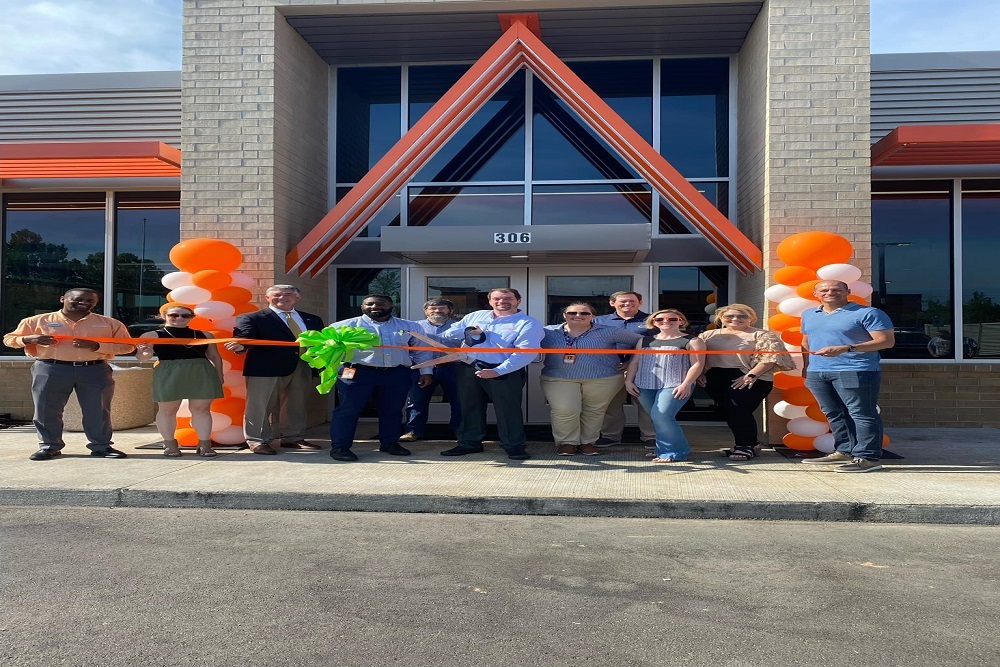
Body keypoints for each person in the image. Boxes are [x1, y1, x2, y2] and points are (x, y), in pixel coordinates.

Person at [3, 288, 134, 460]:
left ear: (96, 303)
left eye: (90, 301)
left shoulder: (109, 323)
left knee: (98, 409)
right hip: (51, 368)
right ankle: (49, 446)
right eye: (78, 299)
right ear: (62, 299)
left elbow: (128, 346)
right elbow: (9, 340)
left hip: (94, 370)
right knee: (46, 409)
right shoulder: (37, 321)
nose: (84, 303)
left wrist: (96, 346)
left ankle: (101, 446)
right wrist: (29, 339)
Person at [801, 280, 895, 473]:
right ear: (815, 294)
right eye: (824, 290)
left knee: (862, 413)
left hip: (855, 370)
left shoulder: (868, 313)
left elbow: (886, 341)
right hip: (818, 372)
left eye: (836, 289)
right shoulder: (809, 314)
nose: (830, 292)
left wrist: (847, 348)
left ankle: (868, 457)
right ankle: (845, 451)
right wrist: (806, 367)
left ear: (848, 291)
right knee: (834, 413)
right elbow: (806, 342)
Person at [438, 288, 544, 461]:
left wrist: (497, 371)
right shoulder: (476, 316)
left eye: (507, 298)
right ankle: (469, 443)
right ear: (490, 301)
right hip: (469, 367)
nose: (502, 301)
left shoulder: (528, 323)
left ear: (518, 301)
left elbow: (525, 352)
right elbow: (449, 333)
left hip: (505, 370)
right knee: (469, 407)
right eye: (497, 298)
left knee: (508, 409)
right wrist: (468, 331)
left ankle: (514, 446)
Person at [327, 294, 433, 461]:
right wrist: (339, 368)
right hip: (357, 373)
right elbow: (326, 349)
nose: (375, 306)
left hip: (396, 373)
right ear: (362, 307)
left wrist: (426, 371)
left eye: (381, 303)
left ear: (391, 306)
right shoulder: (344, 326)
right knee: (348, 410)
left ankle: (390, 443)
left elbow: (422, 351)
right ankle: (340, 447)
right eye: (369, 304)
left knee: (393, 410)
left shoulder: (410, 326)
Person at [225, 285, 325, 455]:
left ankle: (293, 437)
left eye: (288, 294)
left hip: (302, 366)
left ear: (297, 298)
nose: (282, 298)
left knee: (296, 404)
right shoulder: (253, 317)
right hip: (266, 367)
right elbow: (244, 336)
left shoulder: (312, 319)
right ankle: (257, 440)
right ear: (267, 298)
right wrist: (240, 346)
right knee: (260, 405)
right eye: (277, 295)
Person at [540, 302, 641, 456]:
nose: (578, 316)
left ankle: (588, 443)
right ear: (564, 315)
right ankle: (567, 443)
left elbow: (642, 342)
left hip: (603, 378)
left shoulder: (609, 331)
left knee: (594, 411)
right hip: (559, 378)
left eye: (584, 313)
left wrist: (630, 362)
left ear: (593, 316)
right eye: (572, 313)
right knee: (564, 409)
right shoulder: (548, 332)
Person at [698, 304, 794, 460]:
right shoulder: (708, 335)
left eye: (742, 316)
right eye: (729, 316)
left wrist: (751, 375)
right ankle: (751, 444)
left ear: (751, 318)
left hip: (751, 377)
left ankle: (744, 446)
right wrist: (700, 374)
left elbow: (770, 358)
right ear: (721, 318)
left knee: (738, 410)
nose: (735, 319)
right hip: (715, 377)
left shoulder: (762, 335)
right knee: (729, 412)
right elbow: (698, 357)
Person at [135, 304, 225, 457]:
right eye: (174, 315)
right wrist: (146, 352)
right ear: (164, 316)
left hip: (201, 371)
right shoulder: (152, 335)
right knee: (168, 410)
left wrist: (219, 374)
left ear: (191, 318)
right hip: (168, 372)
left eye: (185, 315)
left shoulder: (205, 335)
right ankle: (170, 444)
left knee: (201, 410)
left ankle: (204, 444)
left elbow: (214, 356)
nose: (179, 318)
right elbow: (142, 358)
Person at [624, 309, 705, 463]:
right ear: (653, 323)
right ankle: (661, 450)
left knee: (662, 416)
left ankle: (675, 452)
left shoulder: (692, 341)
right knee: (657, 418)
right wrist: (628, 381)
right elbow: (635, 362)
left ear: (681, 321)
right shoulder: (645, 341)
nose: (666, 321)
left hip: (675, 384)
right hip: (645, 384)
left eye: (672, 319)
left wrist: (687, 384)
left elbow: (698, 364)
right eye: (660, 319)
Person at [592, 291, 655, 448]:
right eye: (623, 301)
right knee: (611, 405)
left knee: (646, 404)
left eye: (632, 301)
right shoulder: (598, 321)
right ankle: (610, 436)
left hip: (642, 368)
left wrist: (631, 362)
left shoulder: (652, 320)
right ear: (612, 303)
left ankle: (650, 436)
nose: (628, 303)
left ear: (640, 302)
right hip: (609, 368)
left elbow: (655, 343)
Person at [400, 298, 461, 442]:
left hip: (453, 368)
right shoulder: (415, 327)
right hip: (421, 369)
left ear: (451, 310)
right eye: (432, 308)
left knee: (459, 401)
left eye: (442, 308)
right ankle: (413, 431)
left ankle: (459, 430)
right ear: (425, 311)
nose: (437, 311)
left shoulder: (459, 326)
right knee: (416, 400)